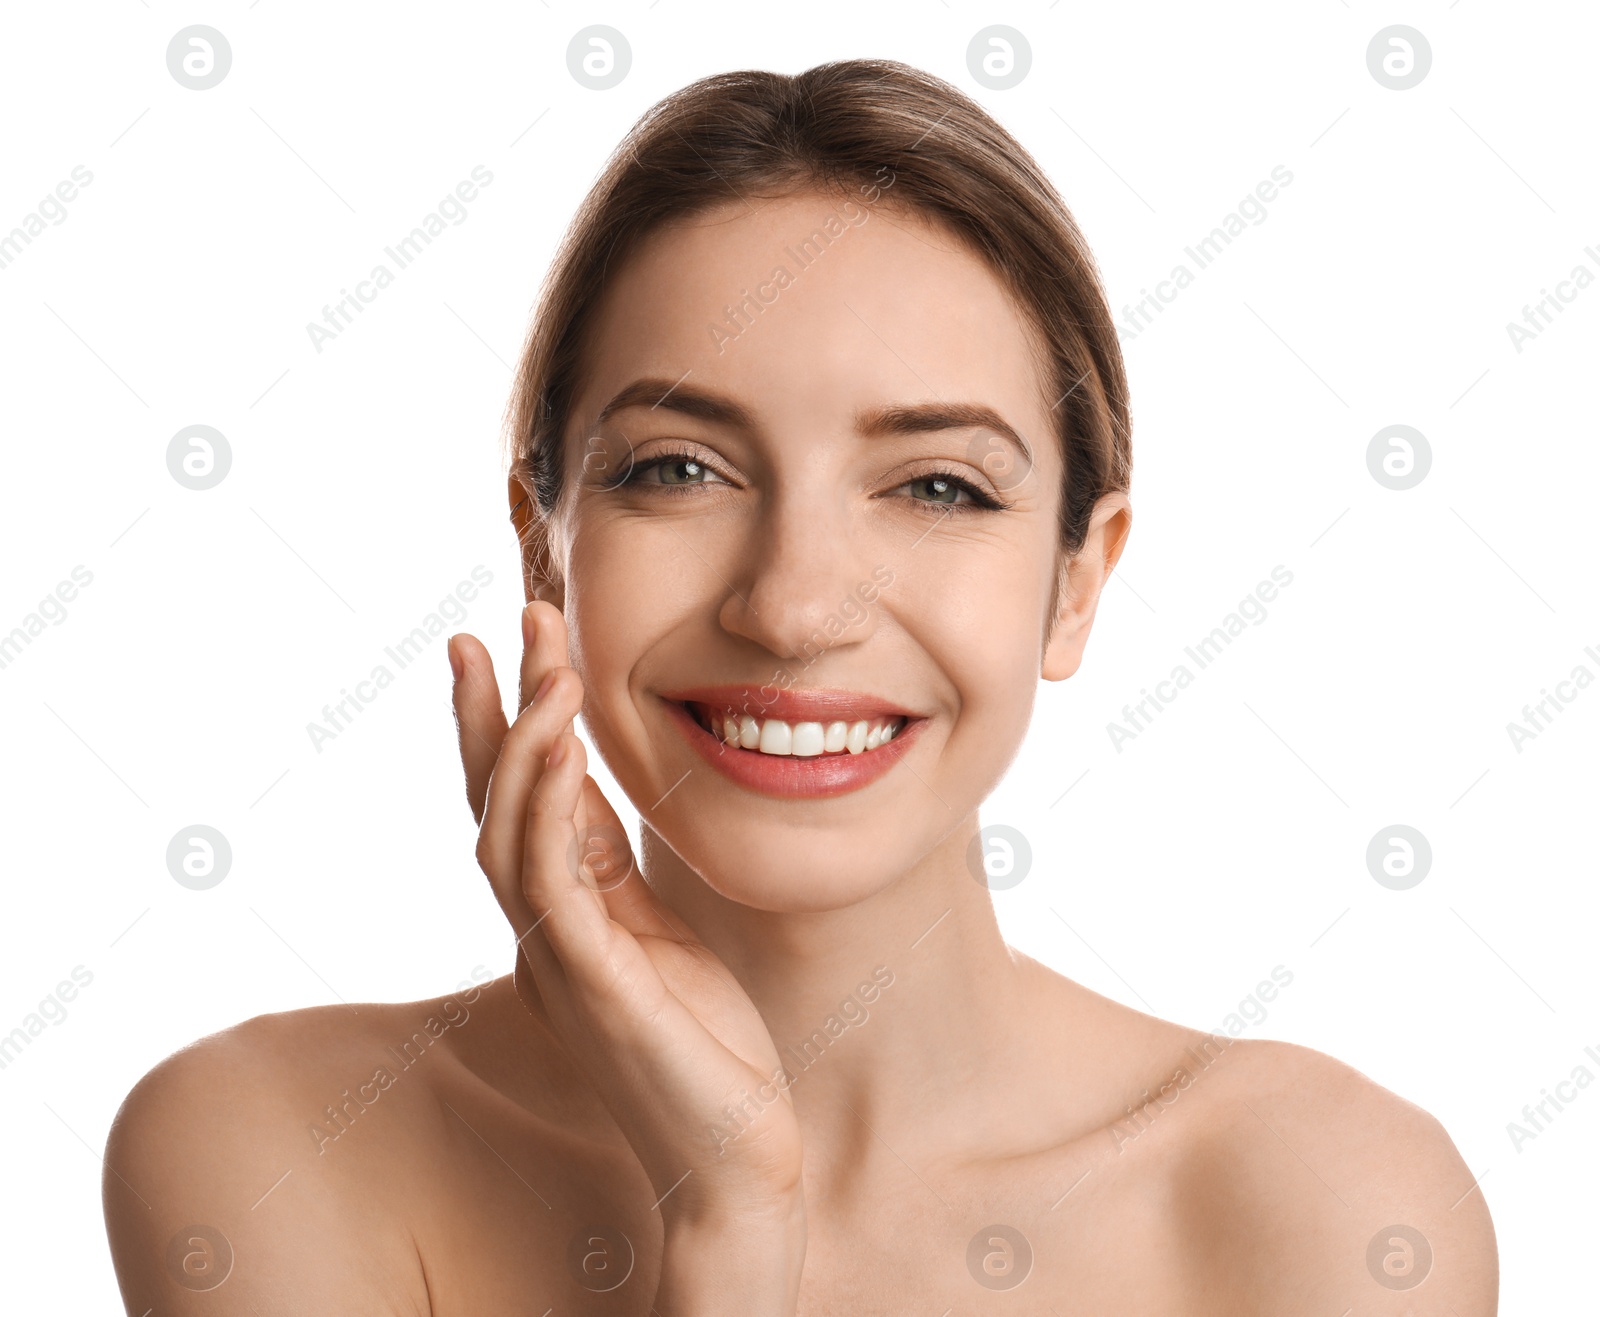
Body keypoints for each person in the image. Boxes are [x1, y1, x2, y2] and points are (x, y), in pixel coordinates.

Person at [103, 58, 1497, 1313]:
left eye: (939, 485)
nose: (792, 604)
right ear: (545, 550)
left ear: (1078, 577)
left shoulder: (1326, 1212)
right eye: (678, 469)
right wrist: (727, 1220)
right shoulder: (276, 1148)